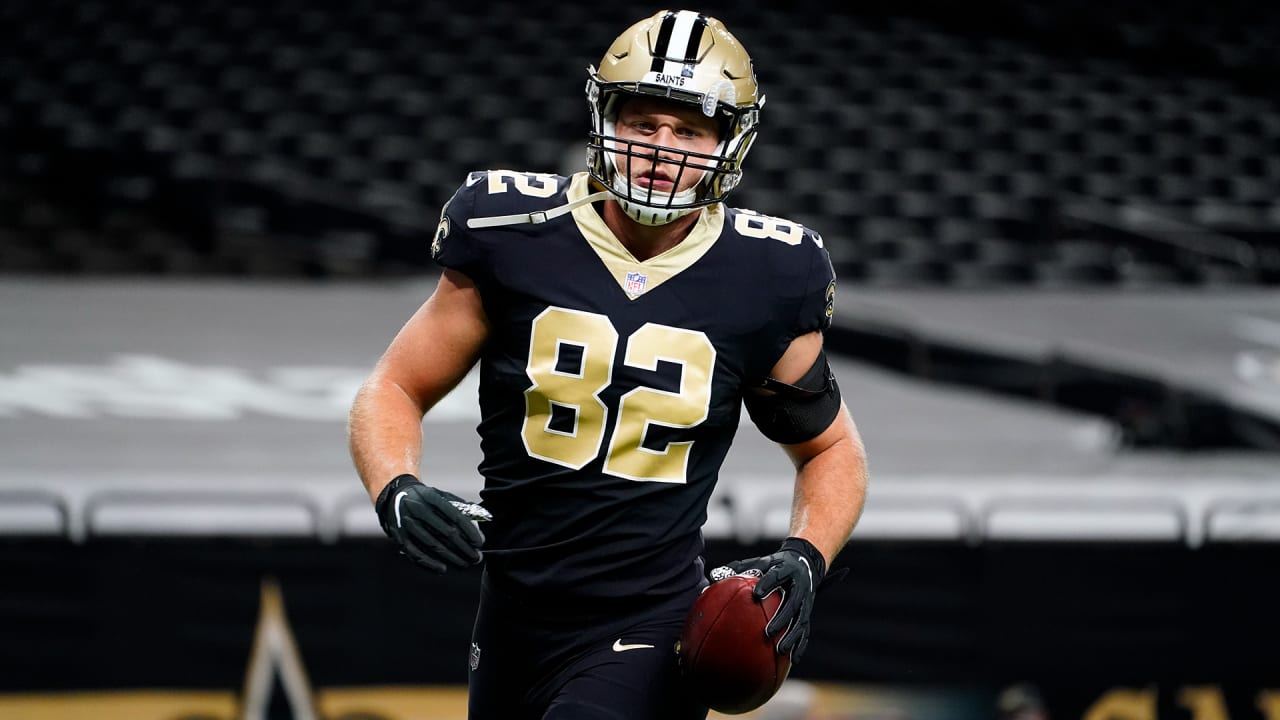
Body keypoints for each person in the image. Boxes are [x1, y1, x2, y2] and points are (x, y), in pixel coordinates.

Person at [348, 9, 868, 720]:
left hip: (647, 620)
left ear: (731, 142)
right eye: (643, 123)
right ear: (604, 122)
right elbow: (395, 386)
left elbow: (831, 446)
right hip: (511, 614)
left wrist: (807, 554)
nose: (662, 147)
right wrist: (395, 485)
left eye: (689, 129)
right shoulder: (512, 233)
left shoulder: (768, 273)